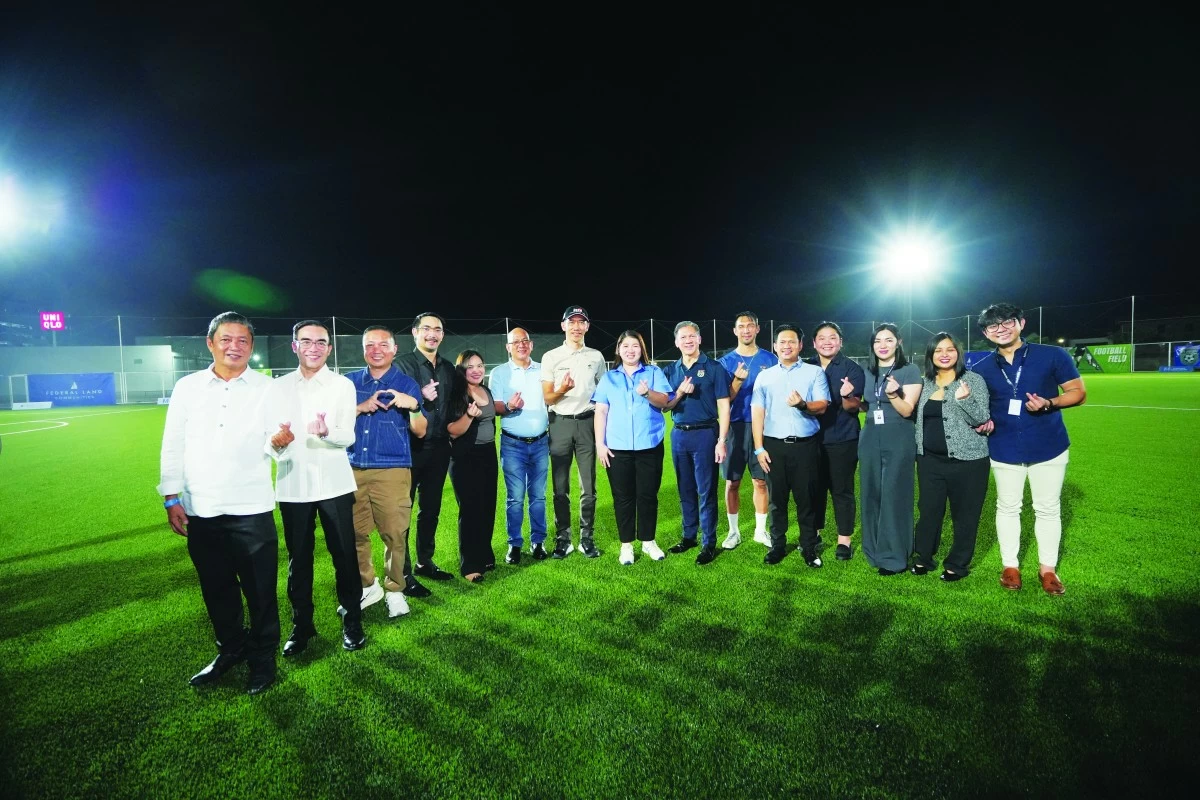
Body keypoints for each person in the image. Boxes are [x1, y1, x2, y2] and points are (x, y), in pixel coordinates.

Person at [158, 311, 280, 695]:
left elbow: (276, 439)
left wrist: (279, 442)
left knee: (260, 591)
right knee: (216, 588)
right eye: (226, 339)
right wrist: (171, 495)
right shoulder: (188, 388)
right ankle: (230, 649)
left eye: (243, 340)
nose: (235, 346)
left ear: (251, 347)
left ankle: (263, 659)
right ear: (210, 343)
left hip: (252, 505)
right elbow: (173, 442)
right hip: (202, 507)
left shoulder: (267, 388)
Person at [263, 320, 366, 657]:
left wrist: (325, 433)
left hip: (334, 484)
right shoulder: (276, 388)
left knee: (345, 558)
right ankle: (301, 627)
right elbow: (269, 444)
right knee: (299, 561)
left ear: (329, 348)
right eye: (306, 341)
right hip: (293, 486)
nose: (313, 347)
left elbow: (347, 436)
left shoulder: (341, 385)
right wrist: (277, 443)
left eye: (321, 342)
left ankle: (353, 622)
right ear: (294, 346)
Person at [972, 303, 1086, 595]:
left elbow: (1078, 393)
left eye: (1007, 322)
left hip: (1048, 444)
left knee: (1047, 509)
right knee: (1007, 507)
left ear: (1021, 323)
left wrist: (1050, 402)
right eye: (992, 326)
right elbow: (978, 409)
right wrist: (980, 422)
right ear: (986, 333)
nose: (1001, 329)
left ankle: (1048, 569)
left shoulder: (1052, 355)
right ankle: (1010, 565)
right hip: (1004, 447)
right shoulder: (981, 368)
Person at [345, 325, 429, 614]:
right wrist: (359, 407)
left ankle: (395, 588)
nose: (376, 350)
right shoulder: (349, 382)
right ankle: (368, 586)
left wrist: (413, 406)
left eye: (383, 345)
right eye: (370, 345)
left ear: (394, 349)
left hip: (392, 469)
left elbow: (420, 431)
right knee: (355, 533)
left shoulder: (406, 383)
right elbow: (334, 421)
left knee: (394, 533)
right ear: (363, 349)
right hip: (353, 467)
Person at [911, 333, 991, 582]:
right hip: (929, 461)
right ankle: (923, 557)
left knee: (965, 514)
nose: (944, 354)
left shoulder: (973, 380)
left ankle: (957, 564)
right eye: (938, 350)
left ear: (958, 353)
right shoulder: (924, 382)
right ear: (931, 355)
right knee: (928, 511)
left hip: (969, 461)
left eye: (950, 349)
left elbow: (981, 418)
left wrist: (965, 400)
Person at [750, 325, 830, 567]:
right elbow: (757, 413)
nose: (786, 346)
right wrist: (759, 448)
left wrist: (803, 404)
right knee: (777, 501)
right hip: (774, 447)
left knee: (807, 499)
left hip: (805, 446)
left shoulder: (814, 372)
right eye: (782, 342)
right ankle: (778, 546)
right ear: (775, 346)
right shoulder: (764, 376)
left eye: (791, 342)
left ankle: (808, 547)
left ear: (800, 345)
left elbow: (823, 405)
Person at [593, 330, 673, 565]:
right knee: (623, 498)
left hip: (649, 445)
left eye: (635, 346)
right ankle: (626, 545)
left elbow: (665, 401)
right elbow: (601, 411)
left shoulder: (654, 372)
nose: (630, 350)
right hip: (618, 449)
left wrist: (647, 392)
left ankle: (648, 542)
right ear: (618, 350)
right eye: (625, 346)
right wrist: (600, 444)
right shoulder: (609, 378)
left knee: (648, 496)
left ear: (642, 349)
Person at [541, 305, 607, 559]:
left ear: (587, 326)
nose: (577, 327)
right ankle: (563, 538)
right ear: (563, 325)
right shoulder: (551, 356)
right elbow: (548, 397)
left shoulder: (596, 356)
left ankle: (587, 537)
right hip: (559, 424)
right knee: (560, 488)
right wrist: (563, 390)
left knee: (588, 487)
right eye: (572, 322)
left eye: (581, 322)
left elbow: (604, 392)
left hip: (587, 424)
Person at [396, 312, 458, 583]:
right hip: (408, 448)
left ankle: (424, 561)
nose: (432, 333)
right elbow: (389, 400)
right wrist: (417, 397)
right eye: (426, 329)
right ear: (415, 332)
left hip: (440, 447)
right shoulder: (401, 365)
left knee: (431, 508)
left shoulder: (447, 369)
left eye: (438, 329)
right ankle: (403, 571)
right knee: (403, 511)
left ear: (442, 335)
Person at [858, 323, 923, 576]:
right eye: (877, 341)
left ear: (899, 342)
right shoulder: (867, 370)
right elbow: (867, 404)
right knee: (871, 493)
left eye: (888, 340)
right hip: (871, 435)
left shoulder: (910, 370)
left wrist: (894, 394)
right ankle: (873, 550)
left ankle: (894, 556)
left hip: (899, 436)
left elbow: (908, 410)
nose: (882, 345)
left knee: (895, 495)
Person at [663, 321, 730, 565]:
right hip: (679, 434)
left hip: (705, 434)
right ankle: (689, 535)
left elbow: (724, 405)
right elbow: (663, 405)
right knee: (685, 490)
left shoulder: (714, 368)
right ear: (676, 342)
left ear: (700, 339)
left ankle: (708, 542)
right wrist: (679, 392)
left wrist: (721, 440)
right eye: (683, 337)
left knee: (706, 490)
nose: (688, 340)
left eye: (692, 336)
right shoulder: (671, 370)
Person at [489, 327, 550, 564]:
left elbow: (552, 398)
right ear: (508, 347)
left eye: (525, 341)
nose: (521, 345)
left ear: (531, 345)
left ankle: (538, 541)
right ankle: (514, 544)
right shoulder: (499, 373)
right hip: (512, 443)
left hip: (540, 441)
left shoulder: (543, 370)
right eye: (516, 342)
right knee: (515, 498)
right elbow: (494, 407)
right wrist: (510, 407)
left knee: (538, 497)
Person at [718, 311, 778, 548]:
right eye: (741, 326)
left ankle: (760, 531)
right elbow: (724, 400)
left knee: (760, 481)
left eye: (749, 326)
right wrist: (737, 382)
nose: (745, 330)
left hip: (762, 428)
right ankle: (733, 532)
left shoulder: (771, 359)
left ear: (757, 329)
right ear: (735, 331)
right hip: (734, 428)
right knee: (732, 482)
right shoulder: (724, 362)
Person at [807, 322, 865, 561]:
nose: (827, 342)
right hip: (810, 439)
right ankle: (815, 533)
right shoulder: (806, 366)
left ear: (840, 342)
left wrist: (848, 395)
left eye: (833, 337)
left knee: (841, 489)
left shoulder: (852, 368)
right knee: (814, 489)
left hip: (842, 438)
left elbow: (854, 407)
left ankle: (844, 539)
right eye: (822, 337)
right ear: (813, 343)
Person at [446, 350, 498, 582]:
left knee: (487, 506)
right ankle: (470, 564)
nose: (477, 370)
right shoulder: (457, 393)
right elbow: (453, 431)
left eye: (480, 365)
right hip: (465, 457)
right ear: (462, 370)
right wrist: (468, 416)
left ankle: (484, 553)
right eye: (470, 366)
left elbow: (492, 414)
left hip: (488, 453)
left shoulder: (485, 390)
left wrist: (511, 406)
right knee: (470, 509)